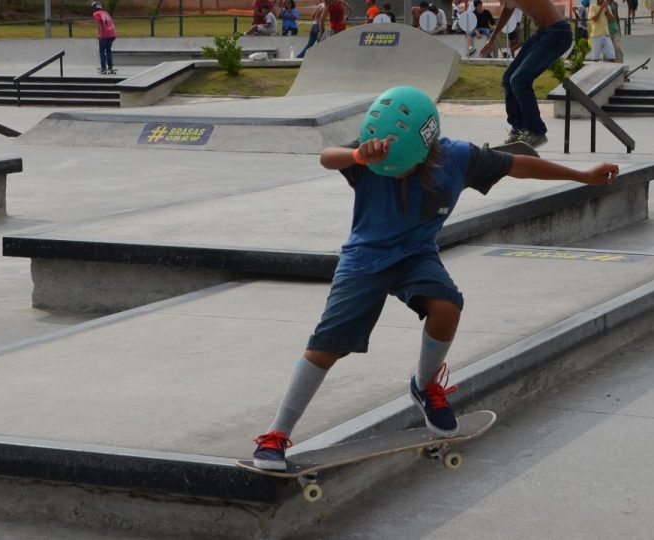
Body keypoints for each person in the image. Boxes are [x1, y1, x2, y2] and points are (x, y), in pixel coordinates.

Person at [249, 86, 619, 471]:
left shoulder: (459, 156)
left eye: (403, 165)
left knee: (447, 306)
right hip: (365, 259)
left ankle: (425, 386)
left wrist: (582, 176)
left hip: (416, 254)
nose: (393, 171)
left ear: (425, 149)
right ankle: (276, 435)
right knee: (327, 345)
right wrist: (359, 154)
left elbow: (519, 165)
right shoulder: (372, 149)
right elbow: (327, 157)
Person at [480, 0, 572, 148]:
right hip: (542, 34)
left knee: (519, 80)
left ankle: (536, 131)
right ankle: (519, 130)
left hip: (558, 33)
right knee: (508, 79)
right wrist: (492, 39)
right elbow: (507, 10)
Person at [90, 2, 116, 75]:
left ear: (94, 8)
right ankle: (110, 67)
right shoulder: (106, 13)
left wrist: (99, 34)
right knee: (108, 50)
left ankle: (103, 68)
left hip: (105, 33)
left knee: (102, 51)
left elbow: (99, 23)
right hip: (112, 32)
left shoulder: (96, 13)